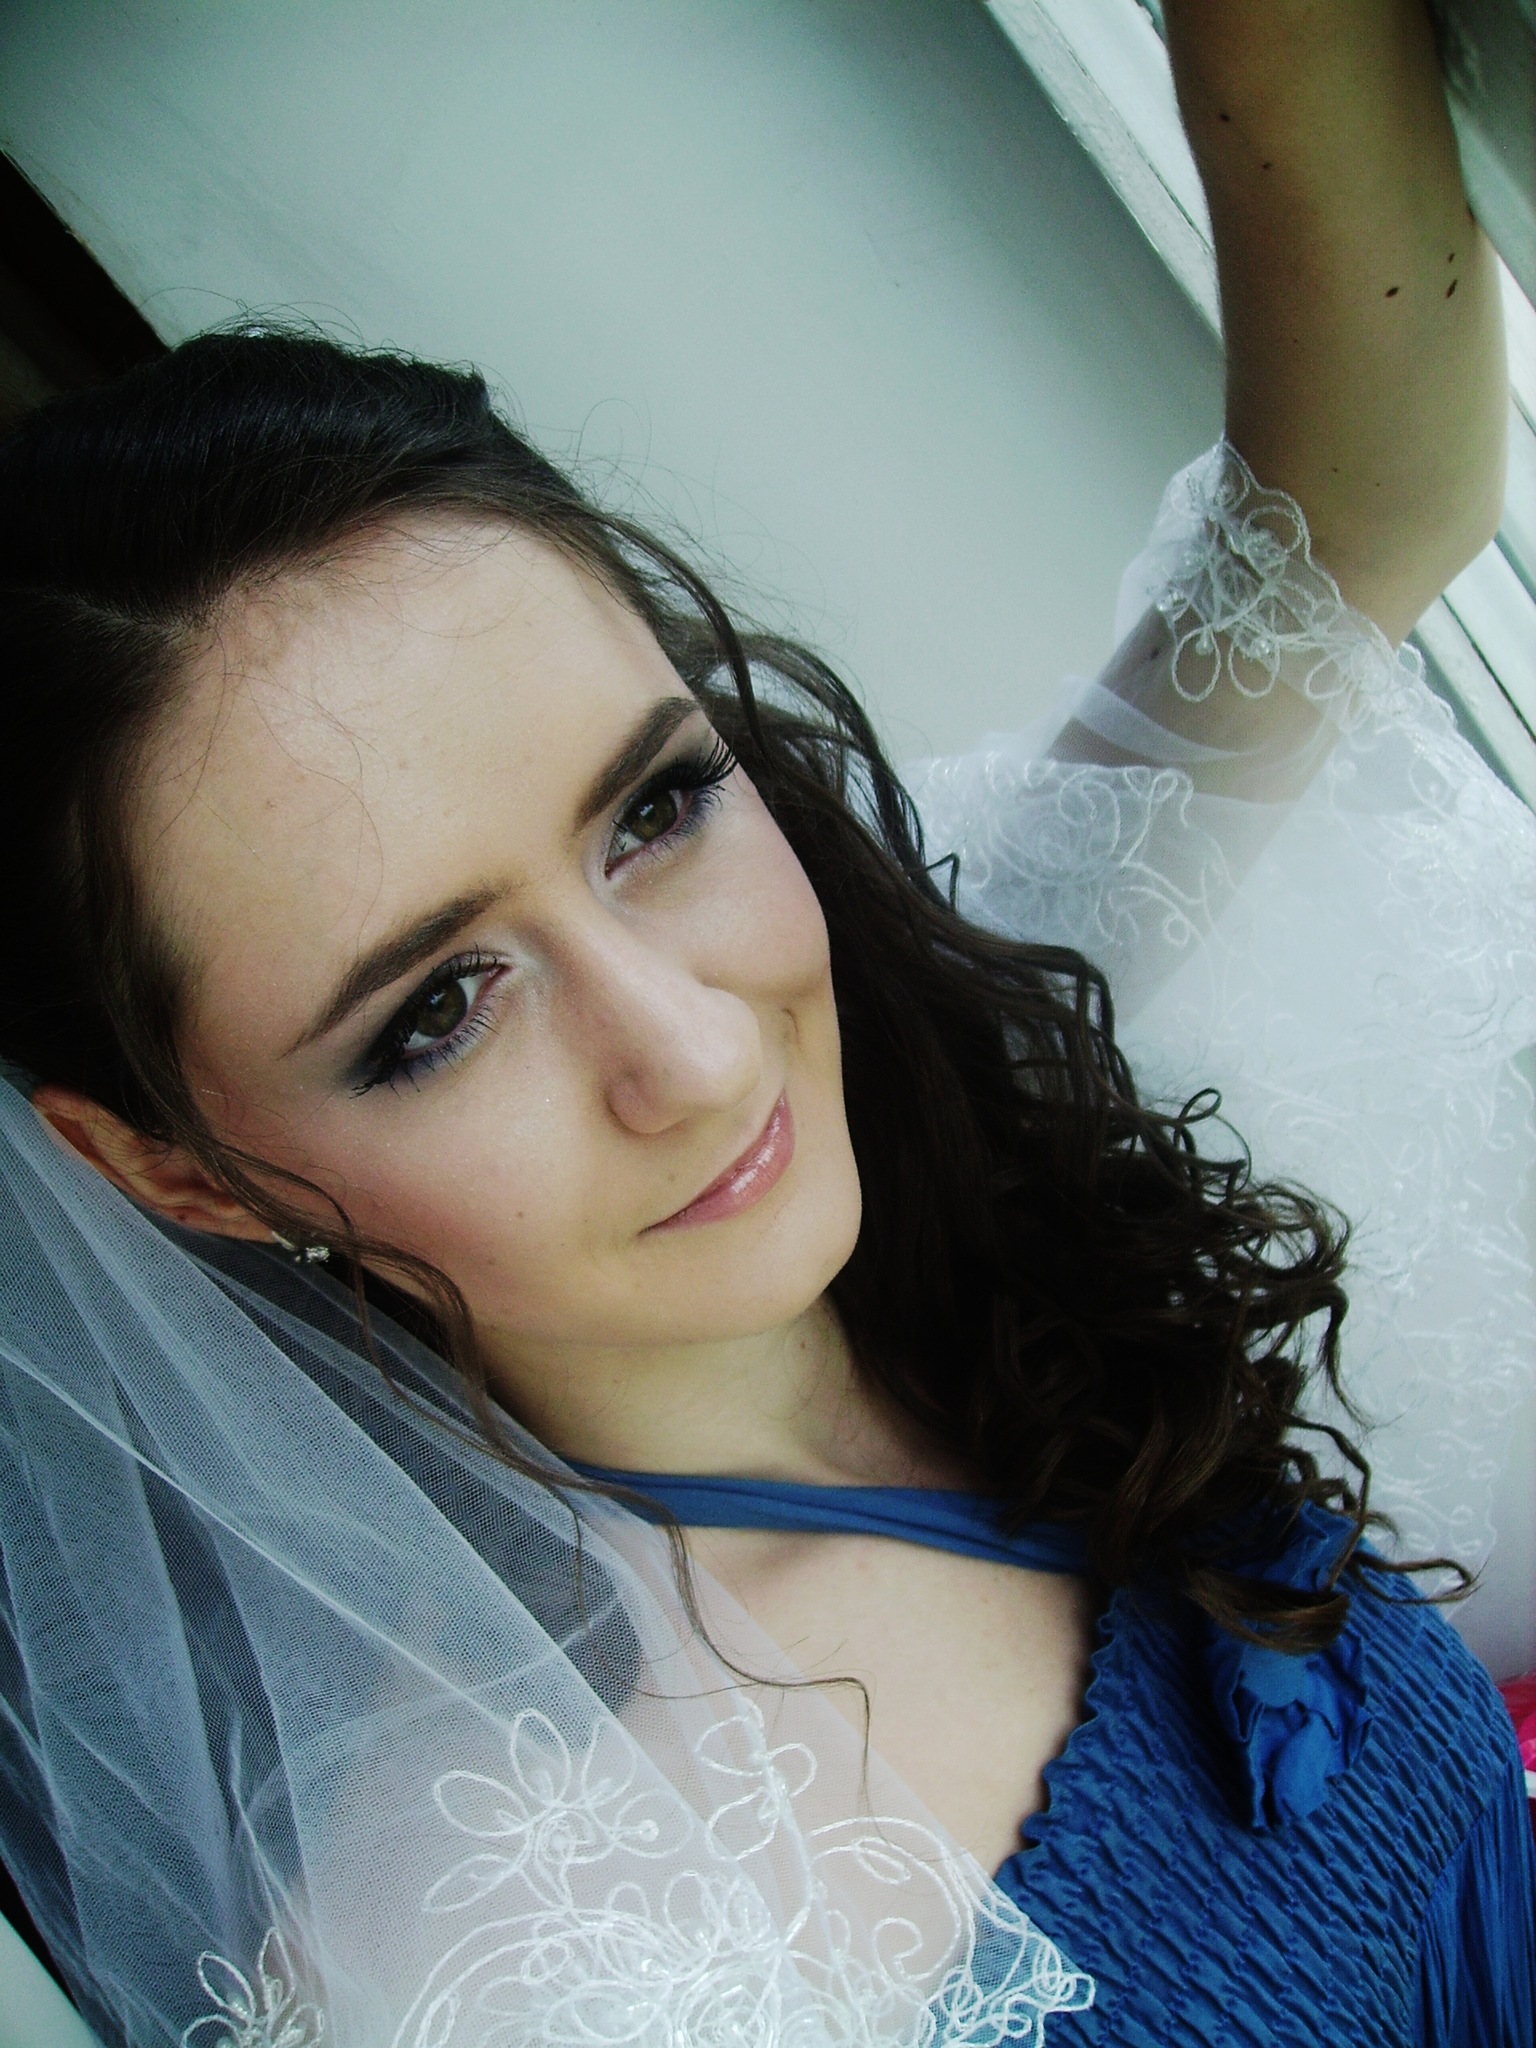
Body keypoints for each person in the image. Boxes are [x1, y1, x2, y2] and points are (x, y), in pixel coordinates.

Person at [0, 3, 1532, 2042]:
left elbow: (1361, 489)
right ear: (171, 1170)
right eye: (437, 1011)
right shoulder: (505, 1956)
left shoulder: (976, 1036)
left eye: (654, 810)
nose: (702, 1054)